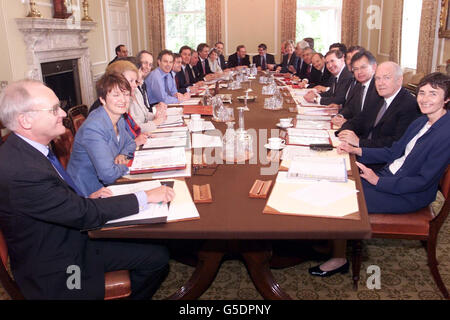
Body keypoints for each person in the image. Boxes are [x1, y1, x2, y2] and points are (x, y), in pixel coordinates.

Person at [0, 79, 174, 299]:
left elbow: (56, 201)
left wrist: (86, 198)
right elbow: (84, 215)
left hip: (63, 238)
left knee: (154, 248)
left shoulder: (26, 149)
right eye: (54, 109)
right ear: (25, 120)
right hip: (59, 268)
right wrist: (145, 197)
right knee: (157, 258)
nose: (63, 113)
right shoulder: (23, 171)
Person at [309, 72, 450, 277]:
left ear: (446, 98)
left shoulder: (445, 133)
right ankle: (330, 240)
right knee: (337, 180)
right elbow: (394, 151)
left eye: (433, 94)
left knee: (342, 197)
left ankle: (339, 258)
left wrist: (378, 181)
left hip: (409, 194)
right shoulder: (421, 121)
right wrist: (358, 151)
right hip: (391, 175)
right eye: (422, 93)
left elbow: (423, 181)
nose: (425, 99)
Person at [67, 74, 137, 197]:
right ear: (102, 99)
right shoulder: (93, 127)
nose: (123, 100)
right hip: (88, 194)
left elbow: (131, 142)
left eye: (126, 94)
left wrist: (123, 154)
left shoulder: (118, 118)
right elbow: (108, 175)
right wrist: (126, 163)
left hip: (111, 184)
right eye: (116, 95)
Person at [336, 61, 421, 151]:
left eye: (386, 78)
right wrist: (345, 132)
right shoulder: (377, 98)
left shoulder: (409, 105)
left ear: (399, 80)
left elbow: (394, 143)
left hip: (380, 160)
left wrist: (359, 142)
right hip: (362, 150)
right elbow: (359, 120)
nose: (380, 83)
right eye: (377, 78)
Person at [107, 60, 167, 135]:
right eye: (131, 81)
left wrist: (156, 116)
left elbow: (144, 115)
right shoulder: (119, 105)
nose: (135, 85)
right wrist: (155, 122)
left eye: (135, 81)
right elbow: (135, 128)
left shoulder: (136, 92)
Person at [332, 50, 382, 127]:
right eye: (356, 69)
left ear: (374, 67)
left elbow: (369, 119)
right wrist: (340, 116)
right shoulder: (358, 85)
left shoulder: (379, 87)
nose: (359, 72)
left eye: (363, 67)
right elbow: (351, 107)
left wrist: (348, 123)